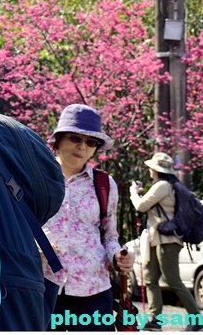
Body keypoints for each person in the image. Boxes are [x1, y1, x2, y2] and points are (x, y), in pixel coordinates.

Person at [43, 104, 134, 331]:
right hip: (43, 285)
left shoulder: (104, 184)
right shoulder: (37, 177)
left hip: (93, 290)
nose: (82, 146)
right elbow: (19, 228)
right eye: (75, 137)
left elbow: (110, 236)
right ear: (59, 139)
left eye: (91, 142)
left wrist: (117, 257)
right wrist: (37, 245)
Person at [130, 152, 203, 332]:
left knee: (173, 280)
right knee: (150, 279)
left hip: (167, 241)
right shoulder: (164, 185)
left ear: (156, 169)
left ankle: (197, 321)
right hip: (158, 239)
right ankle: (155, 320)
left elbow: (140, 206)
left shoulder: (162, 185)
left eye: (150, 167)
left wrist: (133, 192)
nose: (149, 170)